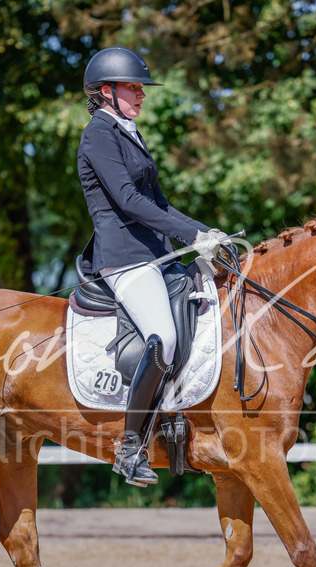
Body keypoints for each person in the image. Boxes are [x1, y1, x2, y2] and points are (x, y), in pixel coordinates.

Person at [77, 46, 227, 487]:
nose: (141, 96)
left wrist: (207, 234)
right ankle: (129, 447)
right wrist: (190, 237)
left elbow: (160, 204)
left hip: (156, 255)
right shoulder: (99, 134)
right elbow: (128, 201)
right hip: (125, 258)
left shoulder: (129, 132)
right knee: (163, 338)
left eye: (142, 89)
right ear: (107, 91)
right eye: (134, 88)